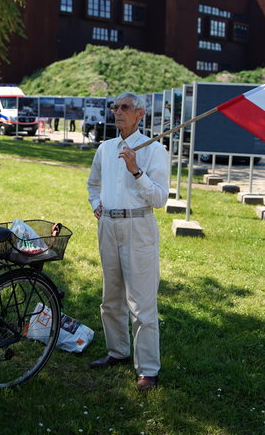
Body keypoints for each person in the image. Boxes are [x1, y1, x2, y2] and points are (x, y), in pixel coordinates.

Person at [86, 92, 169, 393]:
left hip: (138, 225)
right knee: (111, 298)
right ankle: (117, 351)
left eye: (125, 108)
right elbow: (93, 182)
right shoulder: (106, 149)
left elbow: (159, 199)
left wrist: (136, 170)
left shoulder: (154, 150)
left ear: (140, 114)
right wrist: (96, 202)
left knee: (142, 302)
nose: (118, 112)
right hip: (108, 225)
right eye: (115, 107)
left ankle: (148, 369)